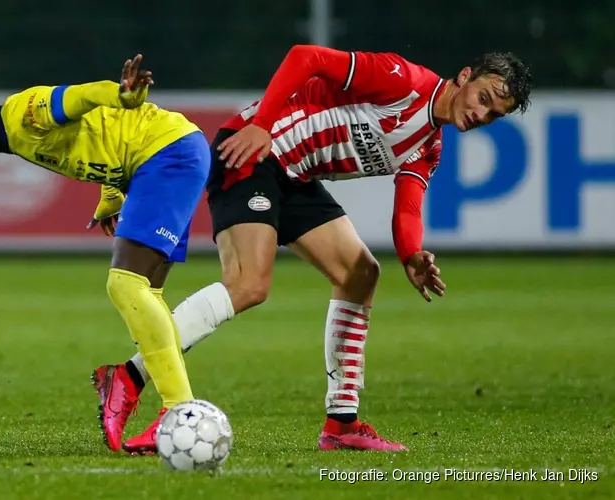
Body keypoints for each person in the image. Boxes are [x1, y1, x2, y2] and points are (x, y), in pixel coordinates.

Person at [91, 45, 533, 454]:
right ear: (465, 76)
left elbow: (408, 208)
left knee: (361, 273)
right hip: (253, 151)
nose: (482, 113)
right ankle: (128, 377)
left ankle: (342, 424)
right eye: (484, 97)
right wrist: (262, 124)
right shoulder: (402, 79)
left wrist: (413, 254)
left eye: (495, 113)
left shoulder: (428, 146)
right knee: (249, 285)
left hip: (294, 176)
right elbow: (306, 57)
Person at [0, 55, 211, 454]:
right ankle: (131, 384)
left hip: (166, 153)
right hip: (163, 155)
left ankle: (180, 411)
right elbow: (103, 136)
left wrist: (121, 94)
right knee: (146, 292)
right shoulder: (12, 140)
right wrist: (111, 196)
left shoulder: (25, 113)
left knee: (124, 285)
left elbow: (81, 98)